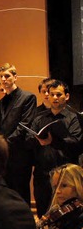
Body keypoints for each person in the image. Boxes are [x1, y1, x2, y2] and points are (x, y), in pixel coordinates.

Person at [28, 80, 82, 217]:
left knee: (67, 214)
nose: (55, 98)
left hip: (66, 175)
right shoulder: (39, 118)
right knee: (42, 212)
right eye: (52, 94)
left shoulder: (74, 118)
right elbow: (28, 141)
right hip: (43, 173)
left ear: (67, 96)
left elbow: (76, 143)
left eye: (58, 94)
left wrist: (54, 141)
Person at [0, 63, 37, 207]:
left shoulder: (28, 97)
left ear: (15, 77)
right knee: (7, 192)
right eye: (1, 77)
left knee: (21, 192)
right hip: (5, 155)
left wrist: (4, 143)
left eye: (7, 76)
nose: (4, 79)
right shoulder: (0, 102)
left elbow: (24, 125)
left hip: (20, 154)